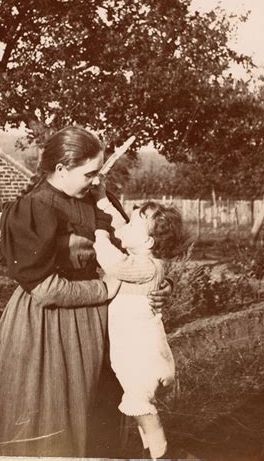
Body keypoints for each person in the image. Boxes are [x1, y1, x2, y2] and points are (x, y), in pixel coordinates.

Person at [0, 126, 173, 458]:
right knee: (50, 416)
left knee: (97, 419)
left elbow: (140, 253)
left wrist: (160, 286)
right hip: (48, 329)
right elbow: (44, 289)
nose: (96, 181)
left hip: (104, 327)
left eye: (99, 173)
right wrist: (106, 287)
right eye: (89, 173)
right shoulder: (33, 208)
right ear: (61, 169)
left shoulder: (98, 202)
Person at [92, 185, 182, 459]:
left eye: (134, 223)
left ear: (148, 243)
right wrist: (102, 199)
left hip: (140, 351)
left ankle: (161, 453)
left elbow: (113, 262)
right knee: (139, 404)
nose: (124, 225)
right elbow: (121, 225)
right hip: (135, 346)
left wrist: (99, 235)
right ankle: (150, 452)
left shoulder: (146, 266)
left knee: (141, 404)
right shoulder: (144, 254)